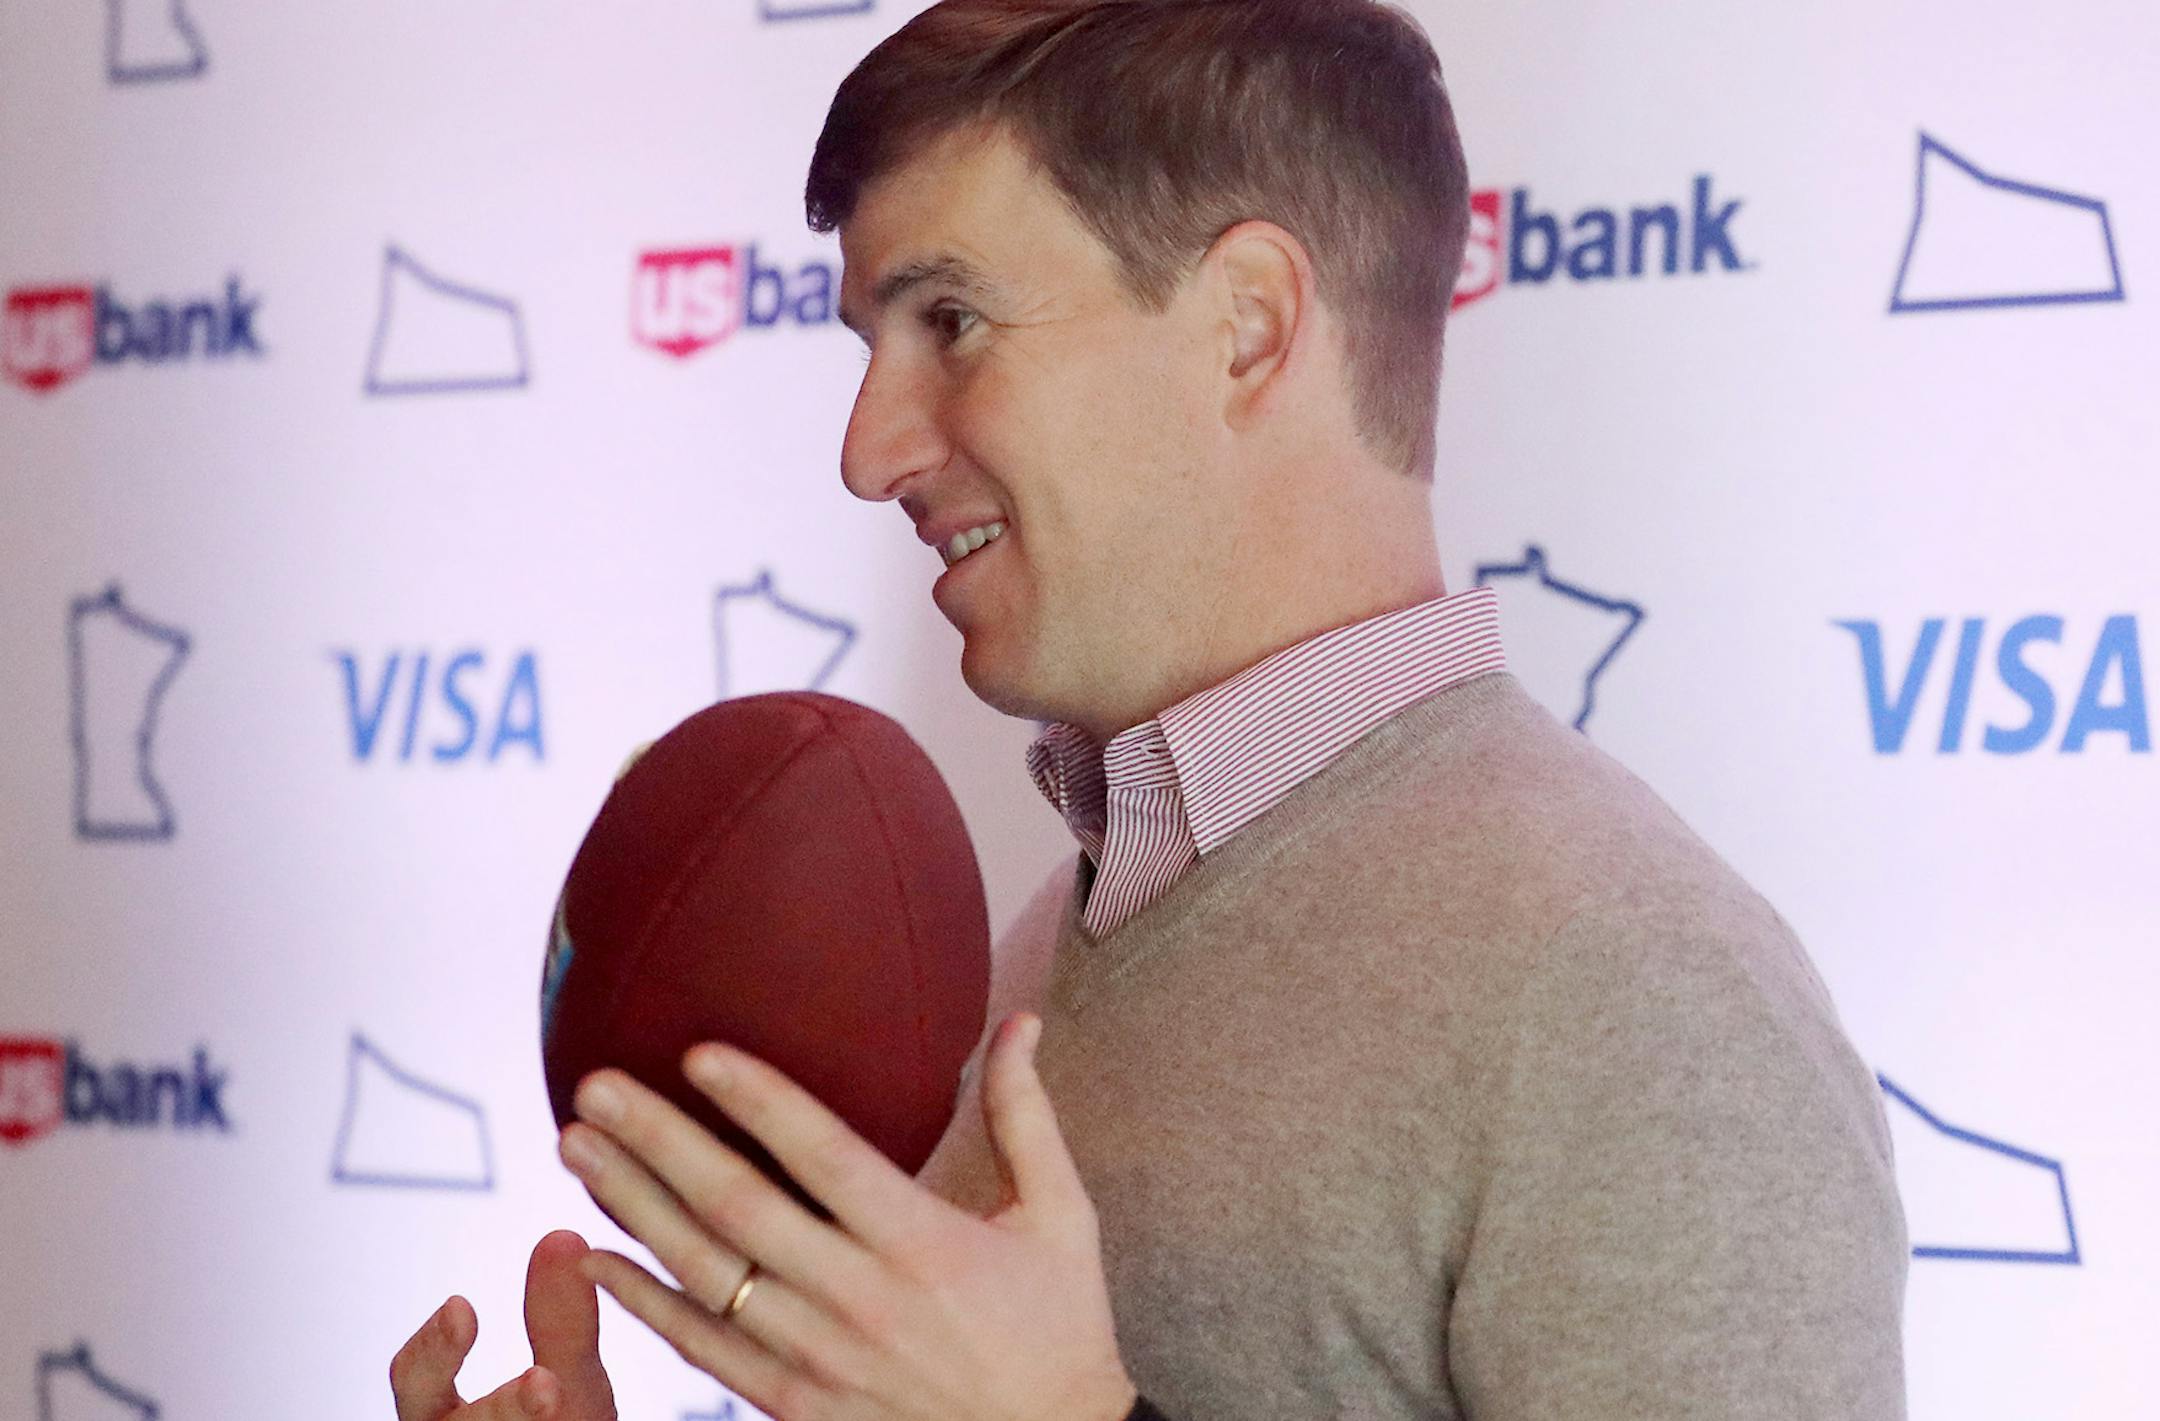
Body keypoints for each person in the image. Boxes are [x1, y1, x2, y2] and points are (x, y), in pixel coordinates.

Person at [390, 2, 1909, 1418]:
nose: (866, 452)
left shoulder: (1641, 993)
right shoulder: (1050, 940)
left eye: (953, 323)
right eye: (872, 343)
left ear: (1247, 324)